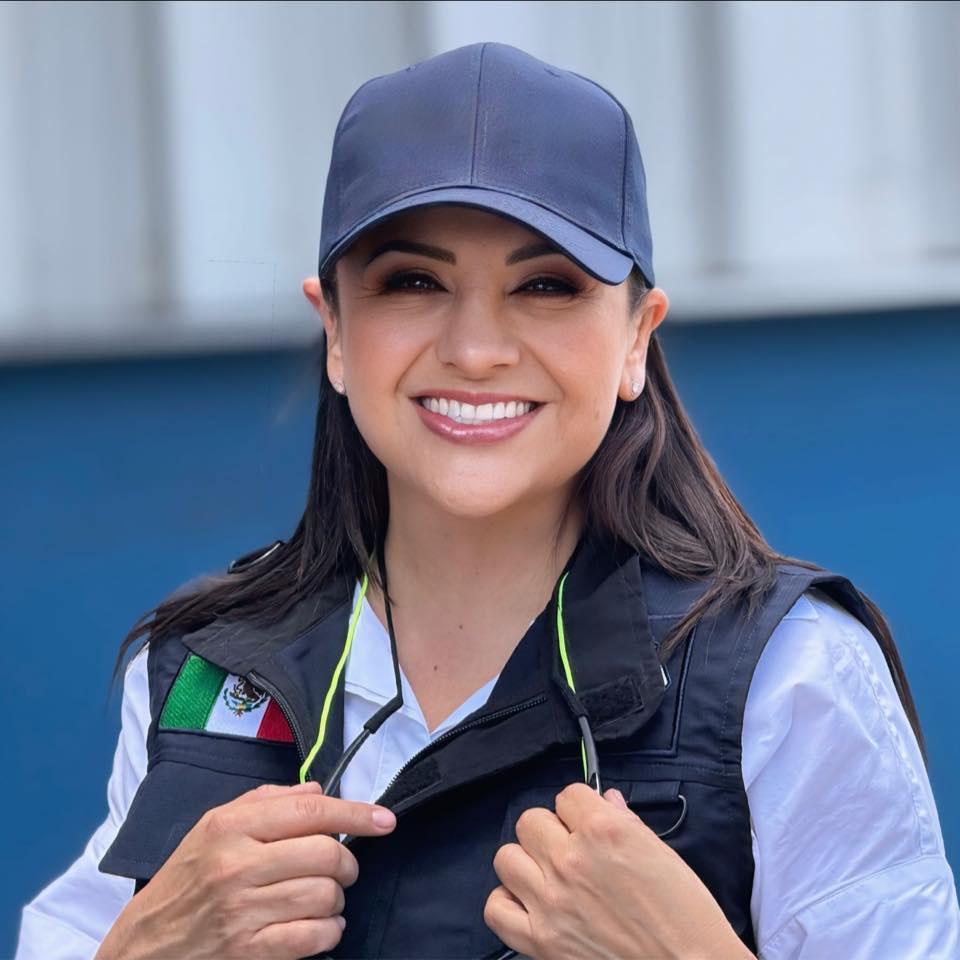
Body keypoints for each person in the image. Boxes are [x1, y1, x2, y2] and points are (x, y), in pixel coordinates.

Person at [17, 40, 959, 960]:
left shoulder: (790, 673)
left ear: (637, 338)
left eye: (545, 285)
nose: (475, 350)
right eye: (413, 282)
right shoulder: (204, 670)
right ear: (334, 329)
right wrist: (143, 947)